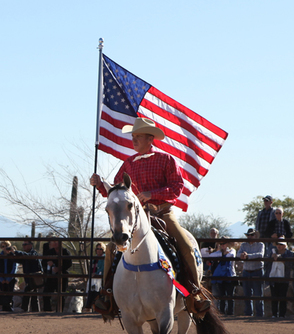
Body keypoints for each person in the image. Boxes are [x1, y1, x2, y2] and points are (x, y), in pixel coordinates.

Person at [89, 116, 212, 315]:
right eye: (133, 136)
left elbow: (176, 187)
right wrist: (100, 184)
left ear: (150, 139)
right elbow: (117, 192)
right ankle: (107, 294)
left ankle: (194, 294)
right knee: (112, 248)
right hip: (136, 220)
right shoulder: (127, 164)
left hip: (163, 214)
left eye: (138, 136)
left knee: (187, 246)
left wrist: (152, 195)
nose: (134, 140)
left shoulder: (166, 160)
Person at [238, 229, 265, 317]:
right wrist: (242, 255)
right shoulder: (243, 245)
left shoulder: (260, 244)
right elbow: (238, 254)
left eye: (252, 235)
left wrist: (248, 256)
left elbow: (260, 254)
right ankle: (248, 313)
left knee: (258, 295)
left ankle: (259, 314)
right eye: (248, 235)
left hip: (257, 270)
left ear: (255, 236)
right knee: (247, 295)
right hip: (246, 271)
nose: (250, 237)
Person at [42, 238, 72, 312]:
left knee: (61, 294)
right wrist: (47, 264)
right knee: (46, 293)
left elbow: (69, 263)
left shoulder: (65, 252)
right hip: (51, 276)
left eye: (56, 242)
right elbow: (43, 262)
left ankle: (59, 311)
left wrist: (59, 268)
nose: (55, 243)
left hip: (62, 276)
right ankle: (47, 311)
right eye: (53, 242)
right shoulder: (49, 252)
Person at [208, 240, 236, 316]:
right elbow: (211, 256)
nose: (222, 245)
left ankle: (230, 313)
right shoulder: (219, 252)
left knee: (230, 296)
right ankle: (222, 312)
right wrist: (222, 254)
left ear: (228, 244)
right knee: (222, 295)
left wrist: (221, 254)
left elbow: (231, 255)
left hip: (230, 276)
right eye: (221, 244)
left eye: (224, 243)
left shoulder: (232, 250)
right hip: (221, 276)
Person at [16, 238, 43, 312]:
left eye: (25, 244)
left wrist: (16, 251)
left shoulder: (33, 253)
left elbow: (27, 256)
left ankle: (25, 309)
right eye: (23, 244)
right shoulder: (27, 255)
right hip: (30, 279)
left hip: (34, 278)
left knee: (28, 291)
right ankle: (35, 310)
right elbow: (18, 260)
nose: (23, 246)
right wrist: (12, 253)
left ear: (30, 245)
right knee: (33, 294)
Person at [266, 240, 289, 318]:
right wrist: (271, 257)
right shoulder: (272, 252)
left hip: (284, 278)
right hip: (274, 277)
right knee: (274, 296)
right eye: (278, 244)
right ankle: (274, 314)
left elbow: (290, 264)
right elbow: (267, 263)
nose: (279, 246)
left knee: (283, 297)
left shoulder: (288, 253)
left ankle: (282, 314)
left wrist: (281, 259)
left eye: (281, 244)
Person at [0, 241, 18, 312]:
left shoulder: (13, 256)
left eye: (6, 246)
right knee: (2, 292)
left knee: (10, 292)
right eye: (3, 246)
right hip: (1, 278)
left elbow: (14, 268)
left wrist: (9, 278)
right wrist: (1, 279)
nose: (5, 248)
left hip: (10, 278)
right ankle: (4, 307)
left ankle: (9, 306)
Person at [85, 244, 105, 310]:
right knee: (91, 290)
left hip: (99, 277)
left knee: (95, 290)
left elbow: (103, 268)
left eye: (100, 249)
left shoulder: (104, 257)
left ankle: (89, 306)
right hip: (93, 277)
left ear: (103, 250)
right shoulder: (94, 258)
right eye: (97, 249)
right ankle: (89, 306)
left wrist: (96, 274)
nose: (99, 250)